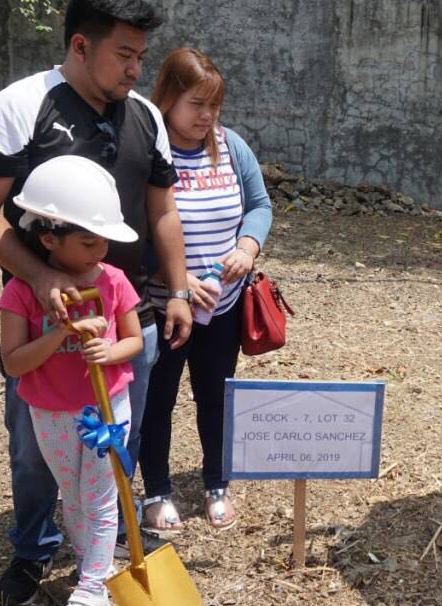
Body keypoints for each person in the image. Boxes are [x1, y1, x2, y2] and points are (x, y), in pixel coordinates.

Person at [0, 1, 190, 602]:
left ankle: (102, 545)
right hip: (43, 321)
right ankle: (33, 549)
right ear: (80, 47)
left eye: (142, 56)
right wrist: (38, 278)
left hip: (125, 316)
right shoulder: (17, 108)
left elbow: (163, 210)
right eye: (124, 54)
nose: (137, 69)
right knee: (36, 450)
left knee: (116, 441)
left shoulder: (145, 118)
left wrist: (180, 289)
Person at [0, 155, 143, 606]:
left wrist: (109, 350)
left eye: (103, 240)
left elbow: (135, 340)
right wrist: (60, 330)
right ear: (49, 239)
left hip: (107, 406)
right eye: (87, 242)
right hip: (51, 410)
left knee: (100, 492)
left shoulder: (114, 281)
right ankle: (90, 564)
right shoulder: (21, 292)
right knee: (73, 493)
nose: (99, 251)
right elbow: (15, 362)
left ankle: (93, 583)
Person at [138, 48, 272, 533]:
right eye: (196, 103)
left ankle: (217, 484)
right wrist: (172, 279)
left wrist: (248, 246)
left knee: (215, 395)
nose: (207, 115)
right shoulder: (149, 149)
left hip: (223, 304)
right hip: (163, 306)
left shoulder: (231, 146)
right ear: (168, 98)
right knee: (158, 400)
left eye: (214, 104)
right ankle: (156, 491)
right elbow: (131, 227)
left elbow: (259, 204)